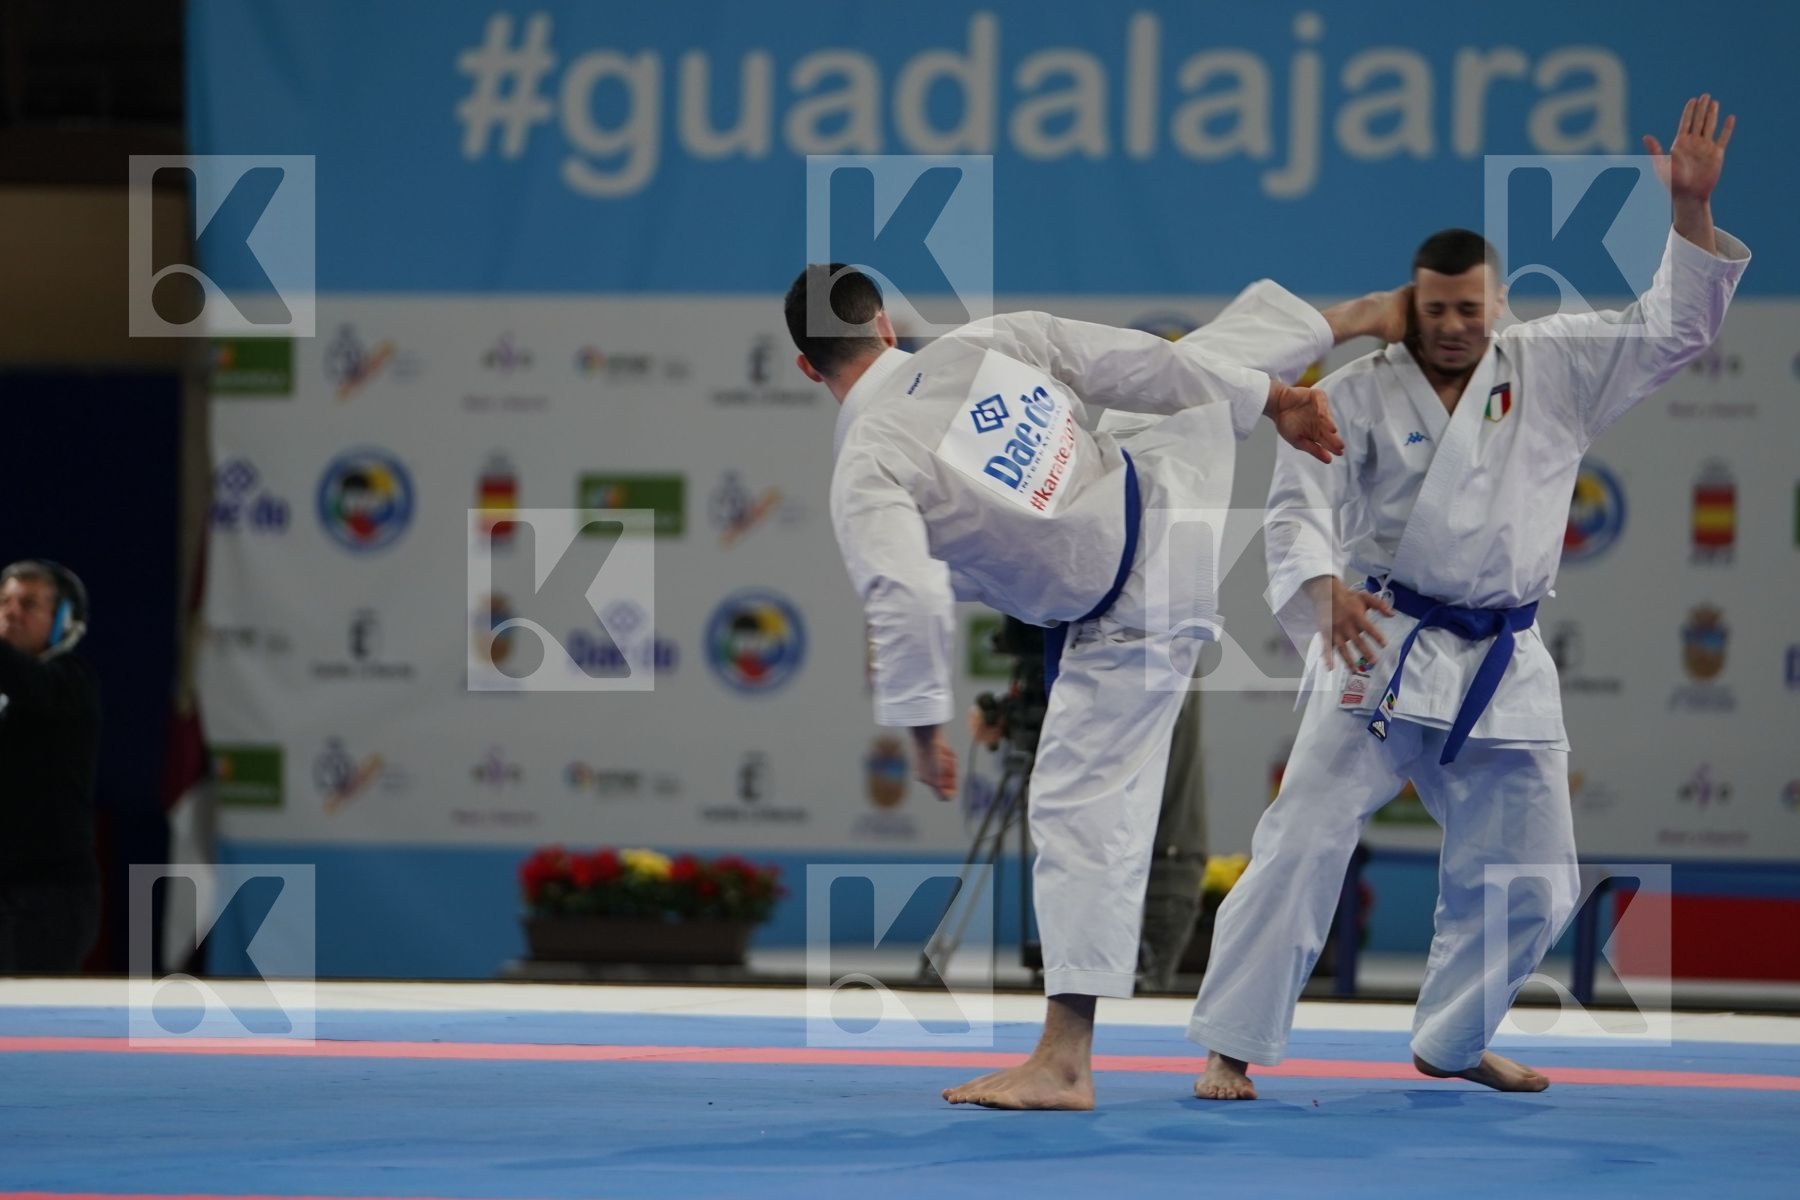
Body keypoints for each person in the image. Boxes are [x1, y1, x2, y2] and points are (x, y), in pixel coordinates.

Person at [1190, 95, 1748, 1100]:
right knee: (1303, 841)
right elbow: (1294, 508)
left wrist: (1690, 213)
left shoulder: (1557, 366)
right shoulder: (1353, 390)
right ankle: (1230, 1044)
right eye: (1436, 309)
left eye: (1471, 308)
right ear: (1411, 303)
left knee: (1536, 875)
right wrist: (1320, 592)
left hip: (1501, 656)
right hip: (1382, 643)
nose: (1454, 326)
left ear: (1500, 303)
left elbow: (1674, 328)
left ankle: (1451, 1037)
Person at [787, 264, 1405, 1109]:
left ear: (805, 366)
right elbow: (1141, 362)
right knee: (1194, 370)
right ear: (886, 326)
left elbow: (903, 590)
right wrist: (1272, 400)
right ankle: (1352, 315)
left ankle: (1066, 1061)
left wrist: (925, 723)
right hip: (1163, 486)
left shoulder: (869, 460)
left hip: (1132, 613)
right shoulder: (986, 340)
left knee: (1079, 811)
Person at [0, 559, 103, 973]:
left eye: (28, 604)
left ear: (64, 621)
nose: (10, 612)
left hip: (47, 900)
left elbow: (27, 684)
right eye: (4, 601)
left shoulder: (72, 683)